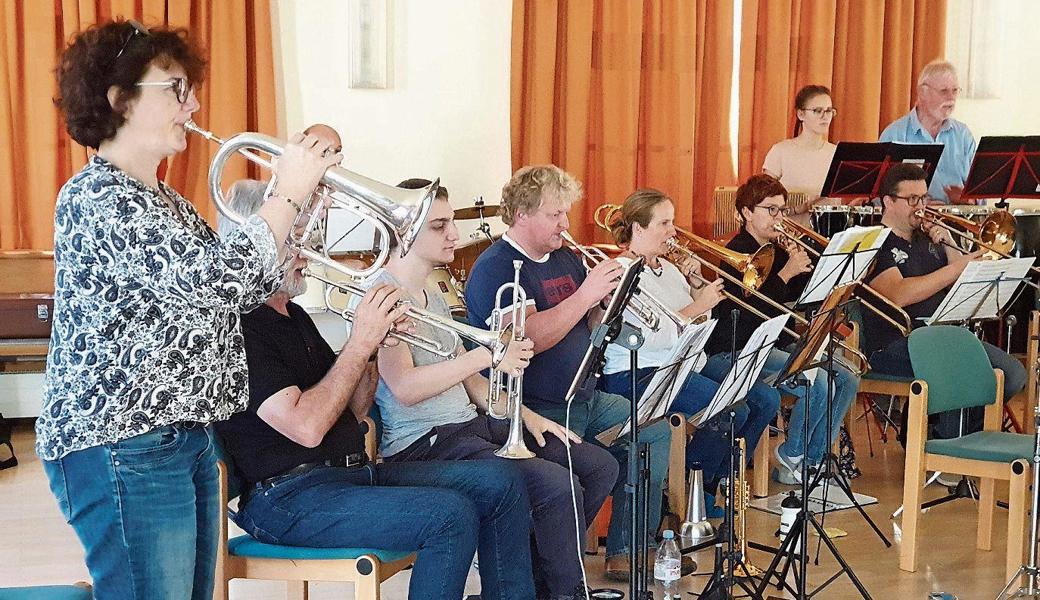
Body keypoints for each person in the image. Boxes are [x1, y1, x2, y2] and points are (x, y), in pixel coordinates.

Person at [37, 20, 338, 599]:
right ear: (118, 98)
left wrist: (293, 236)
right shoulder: (97, 197)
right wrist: (286, 194)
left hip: (185, 438)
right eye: (176, 89)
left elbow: (234, 297)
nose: (193, 103)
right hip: (124, 446)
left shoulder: (164, 200)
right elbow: (222, 281)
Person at [215, 179, 538, 600]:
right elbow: (307, 427)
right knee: (449, 515)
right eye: (296, 240)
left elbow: (354, 408)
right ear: (254, 243)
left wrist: (374, 347)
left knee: (502, 479)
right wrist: (361, 342)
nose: (307, 252)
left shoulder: (294, 317)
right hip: (287, 499)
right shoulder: (240, 326)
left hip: (347, 474)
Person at [364, 179, 618, 600]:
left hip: (469, 426)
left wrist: (527, 418)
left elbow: (469, 381)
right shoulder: (383, 295)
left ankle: (540, 582)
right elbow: (405, 388)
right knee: (558, 486)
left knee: (595, 466)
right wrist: (486, 355)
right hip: (425, 443)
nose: (455, 234)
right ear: (404, 230)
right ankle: (565, 591)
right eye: (439, 226)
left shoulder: (432, 292)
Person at [463, 165, 672, 581]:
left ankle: (627, 550)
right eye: (554, 214)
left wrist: (607, 305)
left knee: (652, 430)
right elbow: (529, 340)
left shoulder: (564, 257)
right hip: (537, 404)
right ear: (522, 214)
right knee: (593, 470)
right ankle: (550, 558)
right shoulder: (498, 267)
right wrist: (586, 294)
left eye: (565, 212)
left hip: (584, 394)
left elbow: (588, 322)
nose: (566, 223)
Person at [701, 174, 860, 484]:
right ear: (747, 212)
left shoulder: (780, 249)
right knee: (818, 383)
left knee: (849, 378)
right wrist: (785, 275)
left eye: (782, 210)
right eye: (770, 209)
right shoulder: (738, 253)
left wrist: (813, 268)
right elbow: (748, 319)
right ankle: (792, 454)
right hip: (737, 348)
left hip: (776, 344)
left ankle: (812, 459)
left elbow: (803, 300)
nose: (779, 217)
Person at [599, 189, 743, 511]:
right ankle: (684, 492)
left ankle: (698, 489)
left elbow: (698, 329)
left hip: (674, 365)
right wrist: (697, 307)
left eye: (672, 222)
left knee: (739, 408)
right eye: (664, 223)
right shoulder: (620, 273)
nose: (673, 232)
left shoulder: (669, 270)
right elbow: (652, 338)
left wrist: (694, 287)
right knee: (726, 411)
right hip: (634, 373)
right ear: (638, 229)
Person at [861, 163, 1027, 441]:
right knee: (960, 370)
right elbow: (898, 293)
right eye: (912, 199)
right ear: (888, 201)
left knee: (1011, 373)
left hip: (944, 337)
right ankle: (940, 445)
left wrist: (949, 243)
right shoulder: (874, 243)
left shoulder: (930, 237)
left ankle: (944, 435)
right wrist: (955, 268)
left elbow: (962, 283)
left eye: (924, 197)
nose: (920, 206)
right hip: (896, 342)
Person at [880, 60, 977, 204]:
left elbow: (979, 196)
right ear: (922, 92)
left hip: (957, 221)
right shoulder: (894, 135)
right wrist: (919, 205)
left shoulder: (963, 135)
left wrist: (967, 200)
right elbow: (882, 196)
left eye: (955, 90)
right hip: (910, 224)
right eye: (944, 91)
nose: (951, 98)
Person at [763, 85, 838, 199]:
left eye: (828, 111)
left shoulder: (837, 153)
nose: (825, 117)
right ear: (801, 114)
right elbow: (764, 198)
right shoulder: (780, 151)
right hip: (788, 217)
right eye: (818, 111)